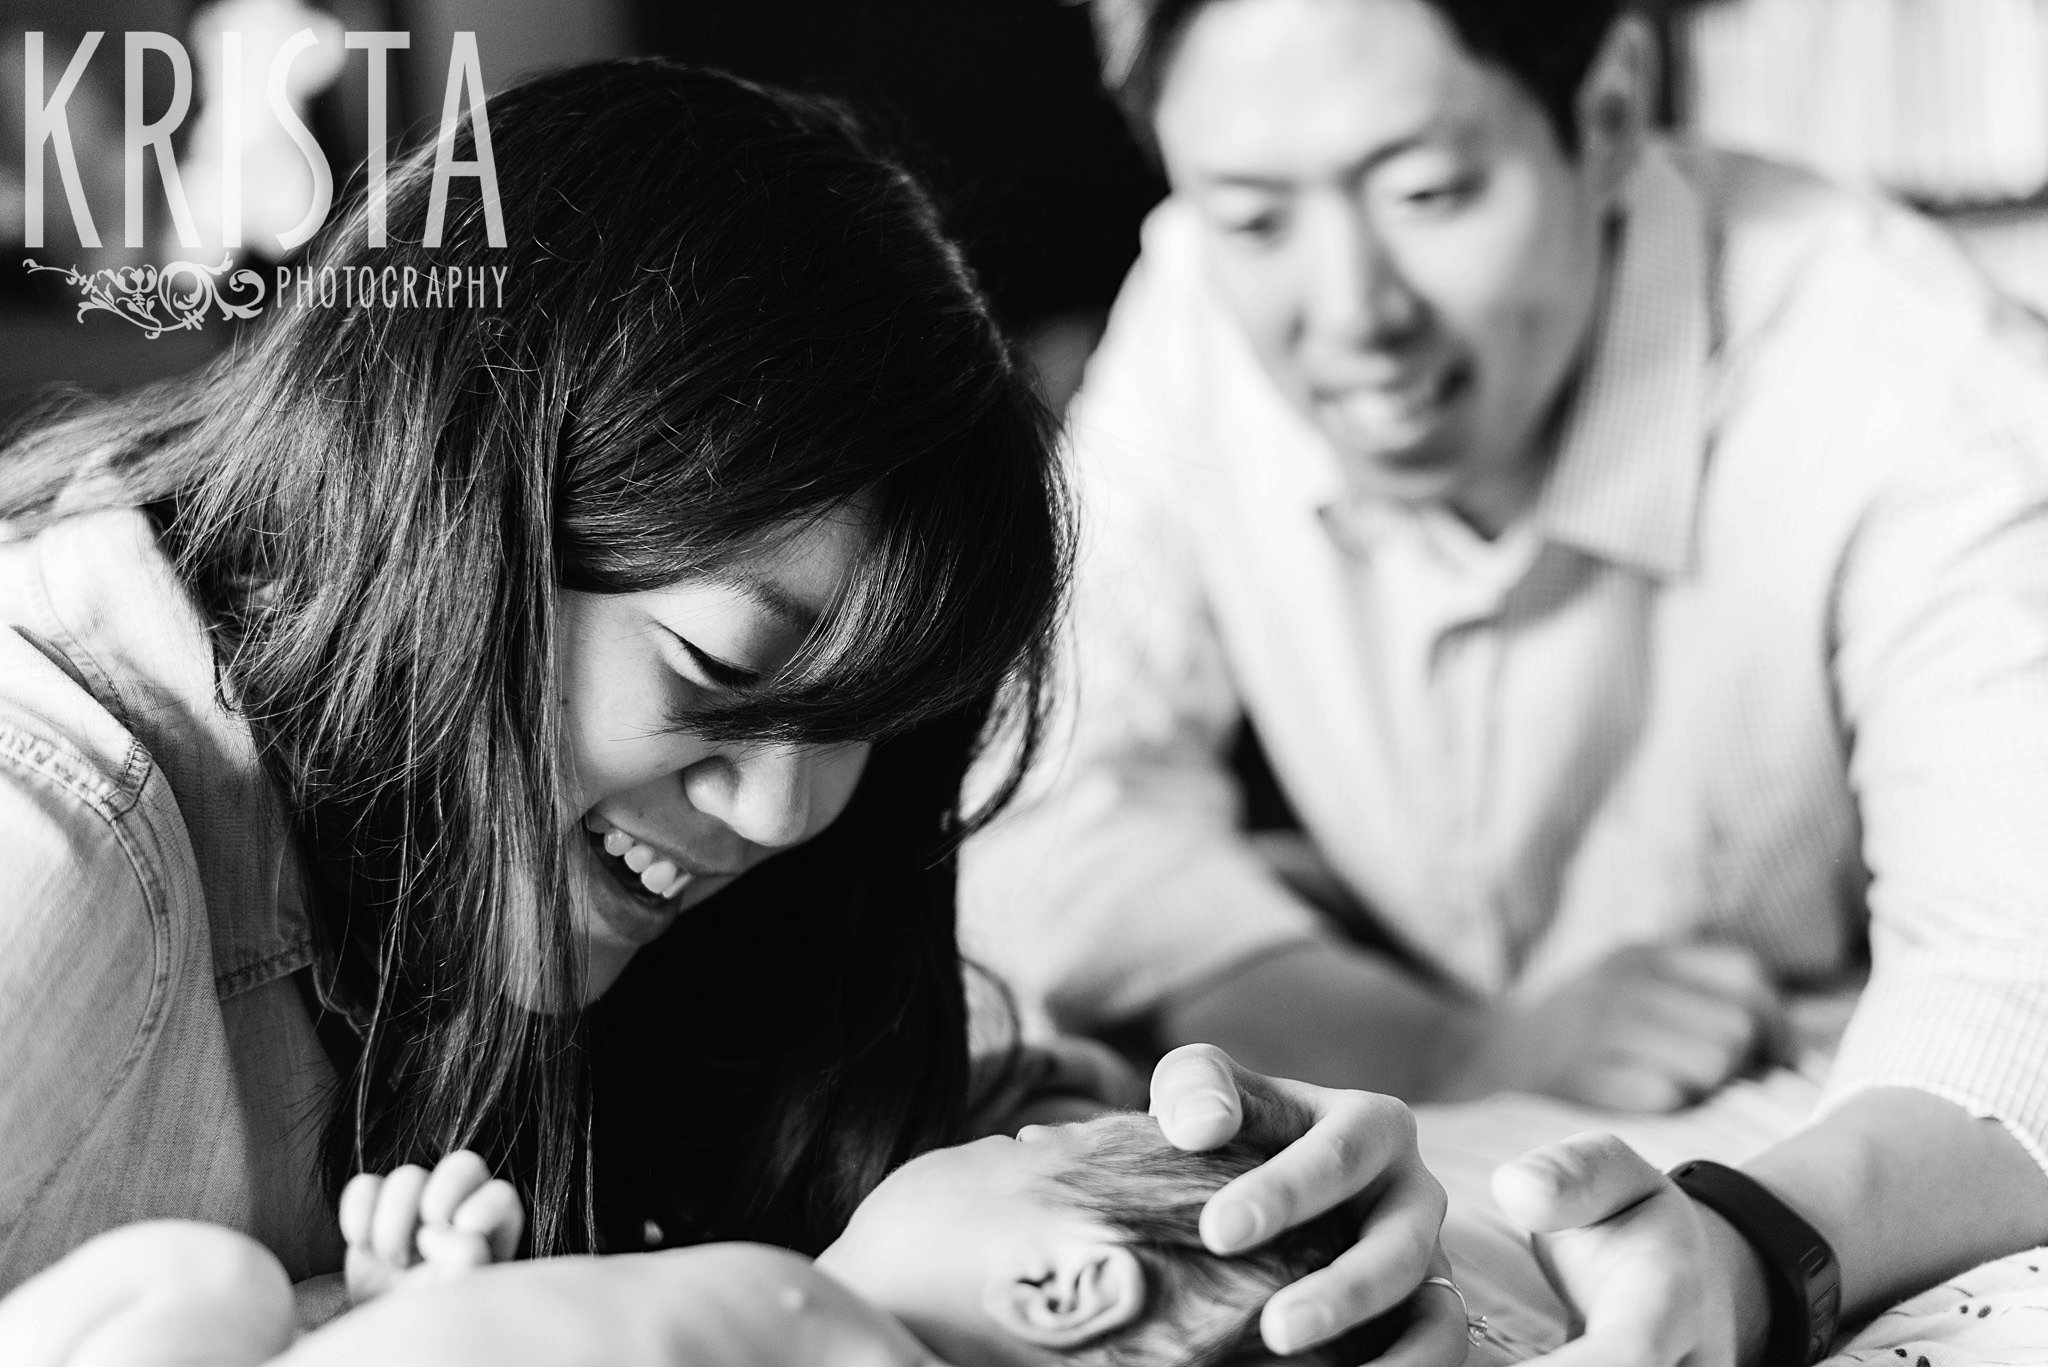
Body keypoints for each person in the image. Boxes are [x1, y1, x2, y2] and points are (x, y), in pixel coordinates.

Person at [0, 57, 1461, 1366]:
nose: (786, 815)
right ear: (448, 509)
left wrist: (1278, 1219)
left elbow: (956, 1131)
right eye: (720, 678)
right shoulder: (50, 846)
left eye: (864, 729)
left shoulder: (592, 899)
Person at [958, 0, 2048, 1360]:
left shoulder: (1920, 382)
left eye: (1429, 192)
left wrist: (1747, 1252)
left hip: (1826, 1138)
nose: (1352, 315)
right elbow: (1045, 790)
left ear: (1604, 118)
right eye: (1251, 216)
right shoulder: (1195, 305)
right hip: (1460, 1120)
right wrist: (1446, 1046)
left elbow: (2018, 980)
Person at [1, 1112, 1393, 1367]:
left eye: (1020, 1153)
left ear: (1059, 1283)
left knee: (207, 1277)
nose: (993, 1133)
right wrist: (407, 1311)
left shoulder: (805, 1319)